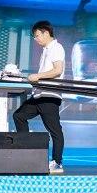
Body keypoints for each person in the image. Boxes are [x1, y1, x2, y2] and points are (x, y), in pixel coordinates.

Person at [14, 20, 65, 173]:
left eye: (37, 35)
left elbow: (58, 70)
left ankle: (57, 162)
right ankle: (26, 151)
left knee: (55, 130)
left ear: (46, 33)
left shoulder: (56, 47)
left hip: (49, 95)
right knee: (19, 116)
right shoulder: (46, 50)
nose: (35, 39)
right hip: (39, 94)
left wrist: (38, 76)